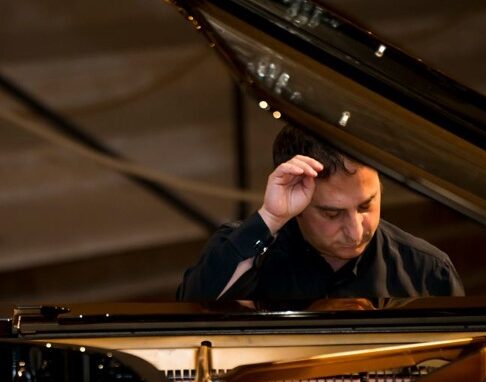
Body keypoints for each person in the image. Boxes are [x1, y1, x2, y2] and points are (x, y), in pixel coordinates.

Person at [176, 124, 465, 310]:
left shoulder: (427, 270)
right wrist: (271, 217)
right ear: (298, 203)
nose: (355, 231)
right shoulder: (248, 254)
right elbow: (191, 311)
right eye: (331, 213)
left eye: (366, 206)